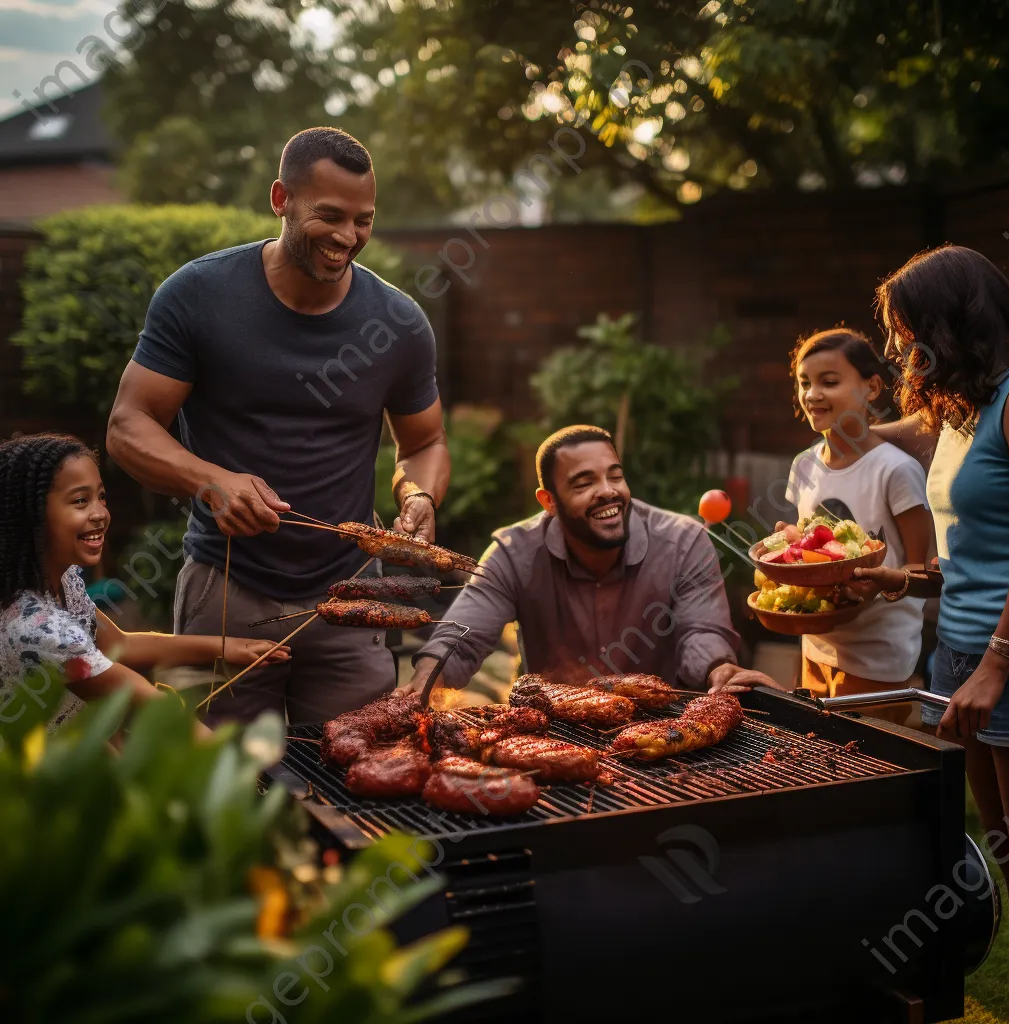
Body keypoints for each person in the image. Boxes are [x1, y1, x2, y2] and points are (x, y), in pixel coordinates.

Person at [106, 127, 449, 727]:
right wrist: (209, 479)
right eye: (330, 216)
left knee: (359, 779)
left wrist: (417, 493)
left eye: (363, 220)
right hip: (227, 587)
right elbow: (128, 425)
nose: (348, 237)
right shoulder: (199, 295)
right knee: (219, 786)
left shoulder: (399, 323)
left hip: (352, 599)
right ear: (280, 199)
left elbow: (423, 443)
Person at [864, 244, 1009, 969]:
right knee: (1005, 855)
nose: (898, 345)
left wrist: (995, 666)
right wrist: (907, 581)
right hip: (957, 655)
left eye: (906, 327)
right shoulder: (962, 412)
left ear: (950, 319)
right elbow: (974, 549)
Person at [403, 425, 779, 697]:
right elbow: (463, 636)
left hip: (664, 735)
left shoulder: (683, 542)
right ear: (548, 502)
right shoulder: (513, 554)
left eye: (615, 476)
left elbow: (702, 630)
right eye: (584, 484)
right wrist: (424, 681)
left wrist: (719, 668)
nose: (608, 492)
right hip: (551, 738)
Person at [0, 434, 286, 732]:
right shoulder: (38, 628)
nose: (100, 514)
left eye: (101, 497)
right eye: (80, 501)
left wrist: (225, 647)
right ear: (30, 515)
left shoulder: (62, 581)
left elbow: (119, 644)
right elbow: (149, 706)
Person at [778, 329, 932, 722]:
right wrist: (787, 551)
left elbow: (924, 573)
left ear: (872, 387)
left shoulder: (895, 470)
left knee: (869, 767)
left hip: (878, 655)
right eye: (804, 383)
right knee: (818, 760)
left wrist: (876, 588)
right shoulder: (805, 465)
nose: (812, 394)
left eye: (829, 382)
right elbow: (809, 553)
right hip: (816, 644)